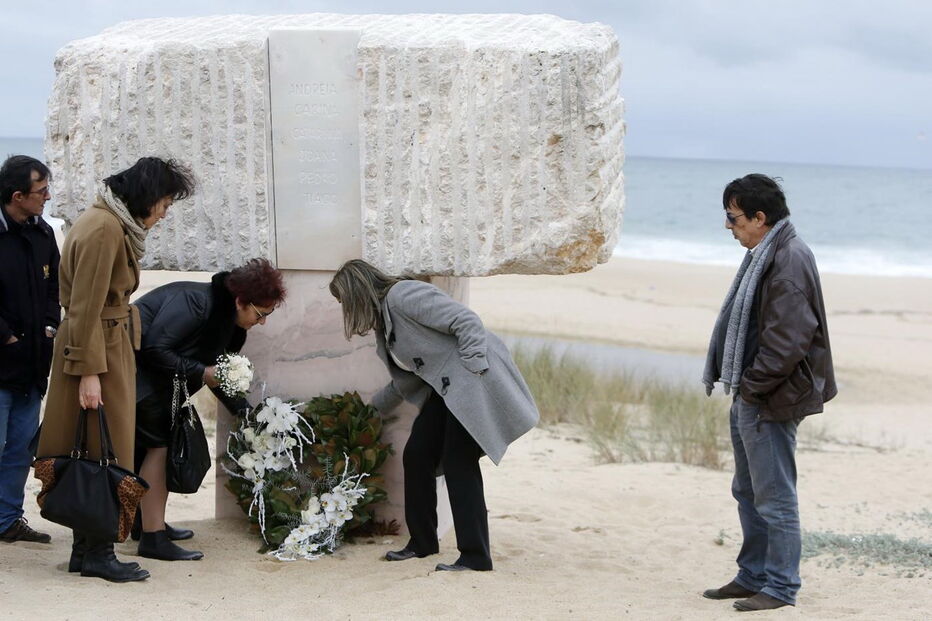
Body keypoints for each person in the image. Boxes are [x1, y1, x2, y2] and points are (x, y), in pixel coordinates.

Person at [37, 157, 195, 583]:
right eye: (163, 203)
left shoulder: (109, 222)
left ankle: (86, 549)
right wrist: (89, 372)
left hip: (106, 344)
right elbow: (85, 305)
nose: (163, 213)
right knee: (103, 449)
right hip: (97, 351)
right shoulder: (105, 228)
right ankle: (98, 552)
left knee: (94, 445)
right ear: (145, 196)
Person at [329, 259, 539, 572]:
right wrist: (369, 413)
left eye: (344, 299)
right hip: (447, 389)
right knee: (417, 455)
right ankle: (423, 543)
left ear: (357, 291)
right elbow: (409, 380)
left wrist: (473, 367)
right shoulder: (385, 324)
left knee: (458, 461)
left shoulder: (404, 296)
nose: (345, 307)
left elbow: (466, 321)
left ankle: (475, 557)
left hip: (470, 380)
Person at [701, 174, 836, 612]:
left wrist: (754, 390)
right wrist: (745, 389)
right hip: (752, 392)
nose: (728, 226)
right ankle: (753, 575)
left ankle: (780, 586)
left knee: (774, 497)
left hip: (770, 398)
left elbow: (789, 340)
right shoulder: (768, 252)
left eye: (733, 217)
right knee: (747, 491)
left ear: (760, 218)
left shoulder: (788, 258)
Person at [131, 258, 286, 561]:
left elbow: (218, 373)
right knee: (158, 450)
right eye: (261, 313)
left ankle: (146, 523)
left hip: (158, 385)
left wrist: (243, 410)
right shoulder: (196, 303)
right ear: (241, 301)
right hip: (140, 381)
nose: (263, 321)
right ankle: (152, 537)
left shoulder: (227, 319)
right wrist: (201, 371)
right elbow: (154, 348)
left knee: (151, 451)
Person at [0, 155, 59, 545]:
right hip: (2, 364)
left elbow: (56, 286)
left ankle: (7, 520)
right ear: (18, 195)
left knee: (20, 451)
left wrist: (51, 325)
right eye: (41, 192)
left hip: (34, 366)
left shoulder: (42, 233)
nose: (47, 198)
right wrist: (6, 336)